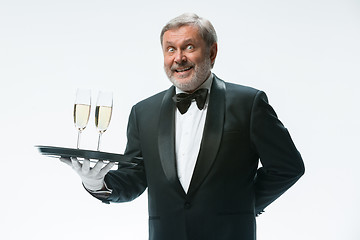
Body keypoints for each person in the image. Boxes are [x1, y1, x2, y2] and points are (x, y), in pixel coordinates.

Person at [61, 13, 305, 240]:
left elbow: (287, 166)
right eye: (170, 50)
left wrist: (244, 204)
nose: (179, 58)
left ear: (212, 52)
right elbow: (134, 178)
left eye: (189, 47)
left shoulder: (248, 103)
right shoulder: (143, 112)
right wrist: (97, 184)